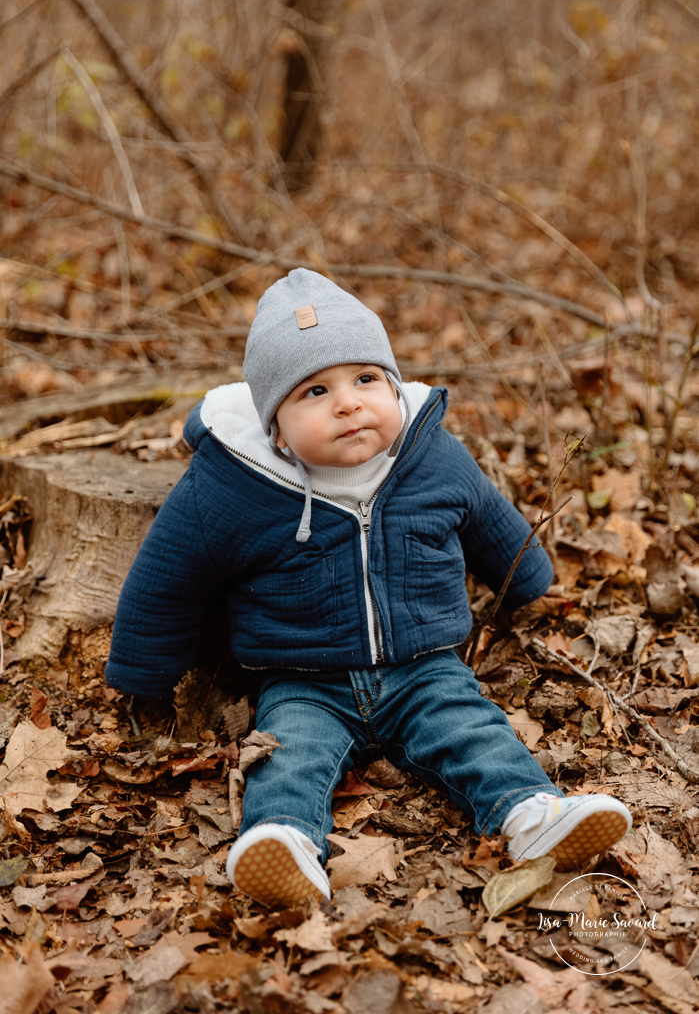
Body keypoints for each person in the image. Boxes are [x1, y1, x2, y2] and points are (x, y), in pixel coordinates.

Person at [105, 269, 631, 907]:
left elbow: (491, 521)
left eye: (365, 380)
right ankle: (284, 842)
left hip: (425, 667)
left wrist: (530, 582)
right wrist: (142, 678)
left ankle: (529, 815)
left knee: (474, 731)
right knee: (288, 755)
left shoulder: (429, 453)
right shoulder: (233, 483)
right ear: (275, 427)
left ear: (391, 385)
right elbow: (167, 579)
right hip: (303, 675)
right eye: (315, 391)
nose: (348, 403)